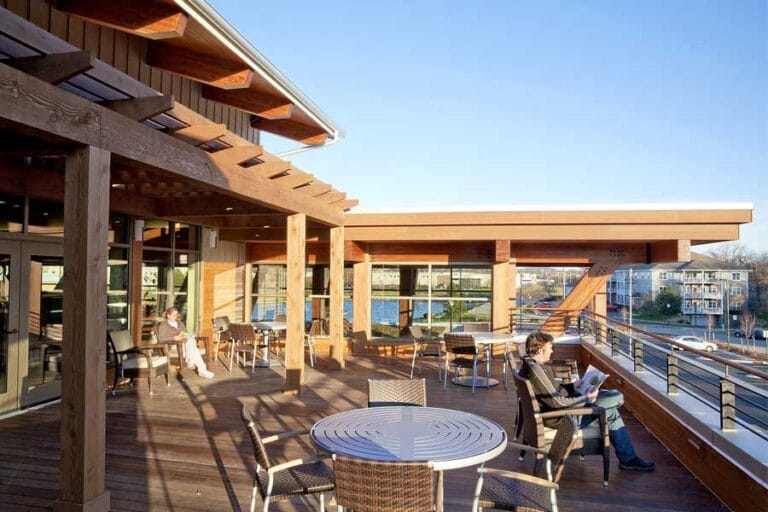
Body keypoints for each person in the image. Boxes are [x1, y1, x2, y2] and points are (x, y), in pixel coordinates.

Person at [519, 331, 654, 471]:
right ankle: (628, 459)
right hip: (563, 419)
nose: (552, 351)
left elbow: (551, 392)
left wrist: (573, 386)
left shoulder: (530, 365)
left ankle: (628, 459)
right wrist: (586, 399)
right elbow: (557, 402)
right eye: (550, 347)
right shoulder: (536, 370)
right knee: (615, 397)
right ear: (541, 350)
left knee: (611, 410)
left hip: (561, 413)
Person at [157, 307, 214, 379]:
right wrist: (174, 338)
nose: (175, 317)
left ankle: (196, 366)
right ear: (168, 315)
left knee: (191, 341)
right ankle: (199, 368)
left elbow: (185, 333)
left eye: (176, 315)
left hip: (185, 343)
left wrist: (190, 335)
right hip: (174, 345)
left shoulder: (180, 323)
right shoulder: (164, 325)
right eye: (173, 315)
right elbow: (161, 338)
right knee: (193, 346)